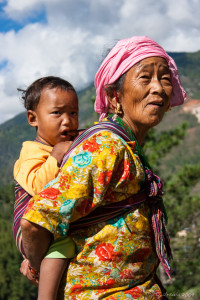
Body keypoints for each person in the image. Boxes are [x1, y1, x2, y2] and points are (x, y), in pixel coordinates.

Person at [20, 36, 186, 299]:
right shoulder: (106, 147)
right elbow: (35, 223)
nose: (158, 87)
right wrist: (41, 267)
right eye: (145, 77)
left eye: (165, 78)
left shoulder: (126, 145)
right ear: (113, 96)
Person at [13, 76, 80, 300]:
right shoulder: (31, 152)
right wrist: (56, 156)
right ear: (33, 118)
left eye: (73, 113)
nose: (67, 121)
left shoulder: (65, 145)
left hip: (48, 224)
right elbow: (37, 186)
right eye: (57, 113)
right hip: (30, 227)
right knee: (64, 246)